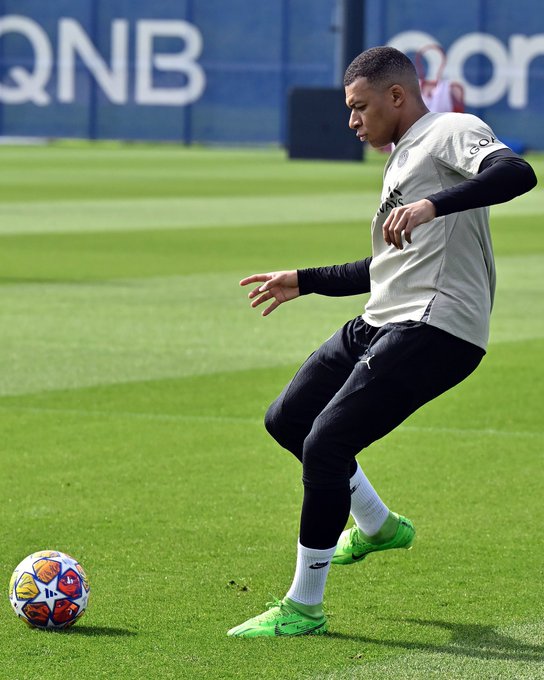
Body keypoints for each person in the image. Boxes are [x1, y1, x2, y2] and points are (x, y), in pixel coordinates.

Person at [227, 46, 537, 638]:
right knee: (288, 420)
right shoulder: (402, 158)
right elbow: (390, 268)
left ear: (397, 96)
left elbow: (517, 173)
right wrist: (306, 281)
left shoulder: (449, 130)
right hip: (386, 315)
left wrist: (430, 205)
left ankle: (304, 607)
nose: (352, 120)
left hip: (437, 326)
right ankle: (376, 525)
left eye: (360, 106)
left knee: (326, 443)